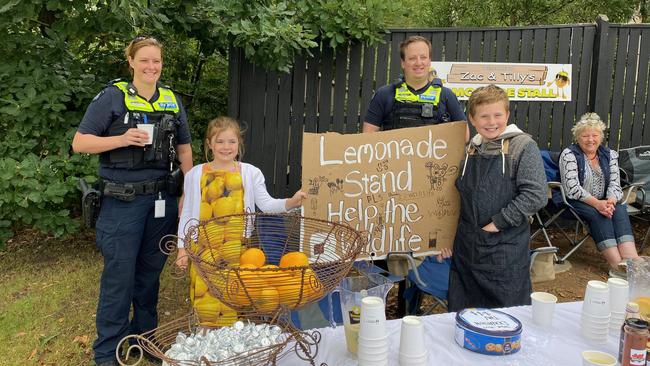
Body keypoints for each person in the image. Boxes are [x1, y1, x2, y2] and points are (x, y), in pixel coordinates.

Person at [72, 36, 193, 366]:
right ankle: (108, 352)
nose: (151, 67)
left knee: (149, 274)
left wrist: (187, 193)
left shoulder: (171, 100)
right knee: (119, 277)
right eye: (144, 61)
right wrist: (121, 138)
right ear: (131, 62)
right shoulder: (112, 97)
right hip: (122, 203)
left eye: (156, 61)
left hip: (162, 201)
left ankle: (145, 340)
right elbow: (80, 143)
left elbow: (184, 150)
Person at [446, 85, 547, 312]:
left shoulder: (523, 146)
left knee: (506, 317)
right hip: (467, 250)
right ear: (472, 119)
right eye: (484, 116)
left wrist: (497, 223)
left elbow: (536, 195)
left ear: (507, 115)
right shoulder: (472, 148)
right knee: (466, 314)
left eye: (497, 115)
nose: (491, 122)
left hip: (504, 250)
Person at [175, 116, 307, 269]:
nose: (226, 147)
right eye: (220, 141)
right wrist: (182, 248)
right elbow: (187, 213)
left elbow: (267, 205)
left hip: (238, 248)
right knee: (205, 290)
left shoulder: (251, 173)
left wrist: (291, 202)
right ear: (209, 144)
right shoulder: (194, 174)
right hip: (203, 250)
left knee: (235, 289)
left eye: (232, 141)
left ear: (239, 143)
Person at [558, 112, 639, 278]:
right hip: (574, 201)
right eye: (585, 135)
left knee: (619, 209)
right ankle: (617, 266)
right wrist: (597, 204)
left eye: (594, 135)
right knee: (598, 214)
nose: (590, 140)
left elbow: (615, 183)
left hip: (604, 200)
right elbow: (572, 188)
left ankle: (631, 261)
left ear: (601, 137)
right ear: (577, 137)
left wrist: (610, 201)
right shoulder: (569, 154)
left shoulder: (609, 155)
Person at [362, 35, 468, 141]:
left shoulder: (446, 95)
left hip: (435, 156)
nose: (418, 63)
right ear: (403, 63)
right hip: (395, 157)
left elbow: (464, 136)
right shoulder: (385, 94)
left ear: (429, 61)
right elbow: (367, 136)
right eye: (412, 58)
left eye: (423, 57)